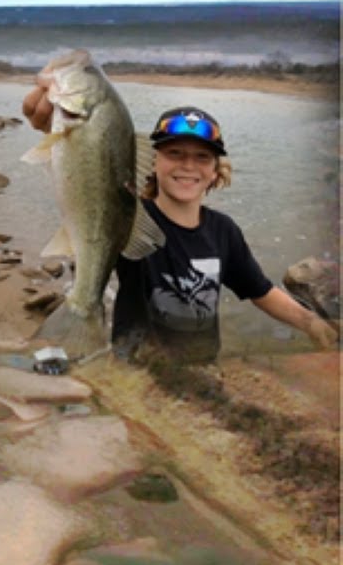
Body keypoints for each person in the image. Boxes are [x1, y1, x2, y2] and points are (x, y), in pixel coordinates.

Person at [22, 83, 338, 363]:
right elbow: (85, 177)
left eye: (202, 157)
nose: (188, 165)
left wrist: (310, 322)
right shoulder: (128, 217)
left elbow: (260, 290)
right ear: (152, 160)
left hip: (201, 364)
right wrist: (54, 124)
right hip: (136, 363)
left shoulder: (223, 230)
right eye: (174, 153)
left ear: (216, 170)